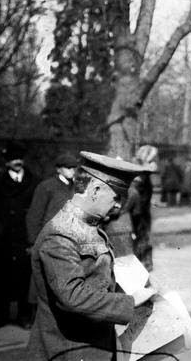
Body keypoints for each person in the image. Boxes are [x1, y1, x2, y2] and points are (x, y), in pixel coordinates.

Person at [26, 151, 154, 360]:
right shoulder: (61, 234)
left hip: (93, 346)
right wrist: (131, 302)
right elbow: (73, 296)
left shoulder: (88, 226)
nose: (119, 205)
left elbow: (97, 281)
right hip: (68, 350)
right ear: (94, 190)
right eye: (116, 197)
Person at [0, 142, 38, 330]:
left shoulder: (34, 182)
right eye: (12, 159)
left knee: (24, 275)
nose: (17, 162)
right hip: (3, 236)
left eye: (19, 158)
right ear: (6, 161)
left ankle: (24, 316)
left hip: (24, 234)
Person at [26, 152, 78, 248]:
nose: (72, 170)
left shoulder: (77, 187)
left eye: (74, 167)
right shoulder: (46, 187)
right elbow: (35, 215)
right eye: (68, 167)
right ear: (58, 169)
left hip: (71, 238)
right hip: (49, 238)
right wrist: (33, 241)